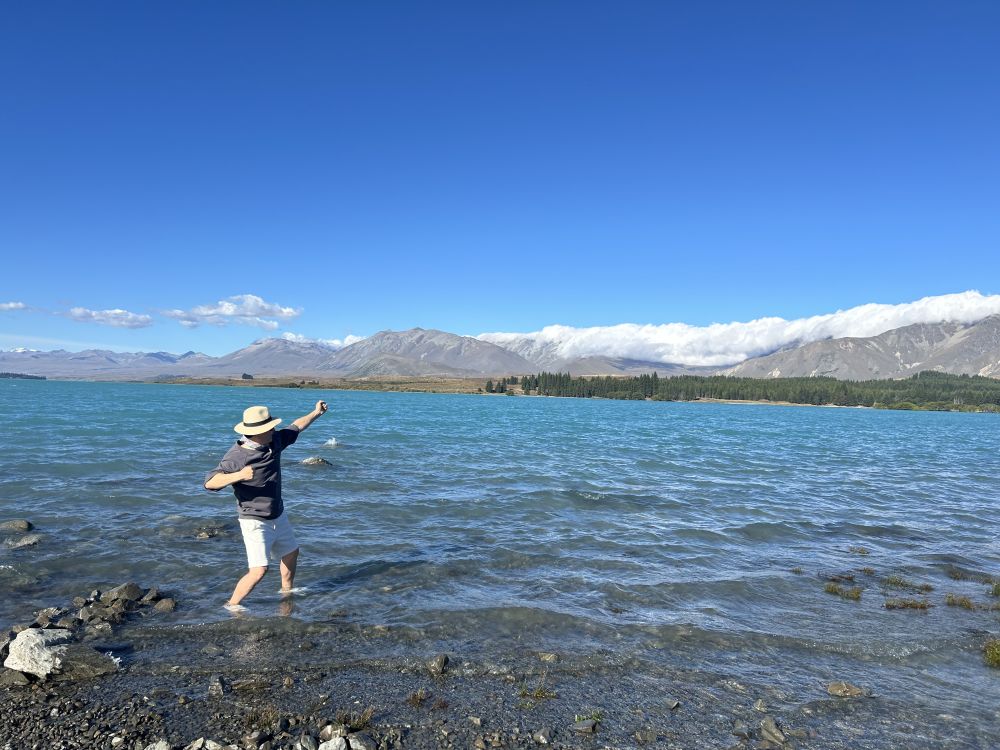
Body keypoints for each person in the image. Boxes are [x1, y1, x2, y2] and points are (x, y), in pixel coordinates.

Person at [204, 401, 328, 610]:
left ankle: (286, 592)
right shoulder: (237, 456)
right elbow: (210, 482)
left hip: (278, 514)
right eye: (269, 428)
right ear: (256, 433)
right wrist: (238, 475)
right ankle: (231, 605)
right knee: (259, 570)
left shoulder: (274, 441)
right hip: (254, 520)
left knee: (291, 552)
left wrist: (316, 413)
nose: (273, 430)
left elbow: (296, 426)